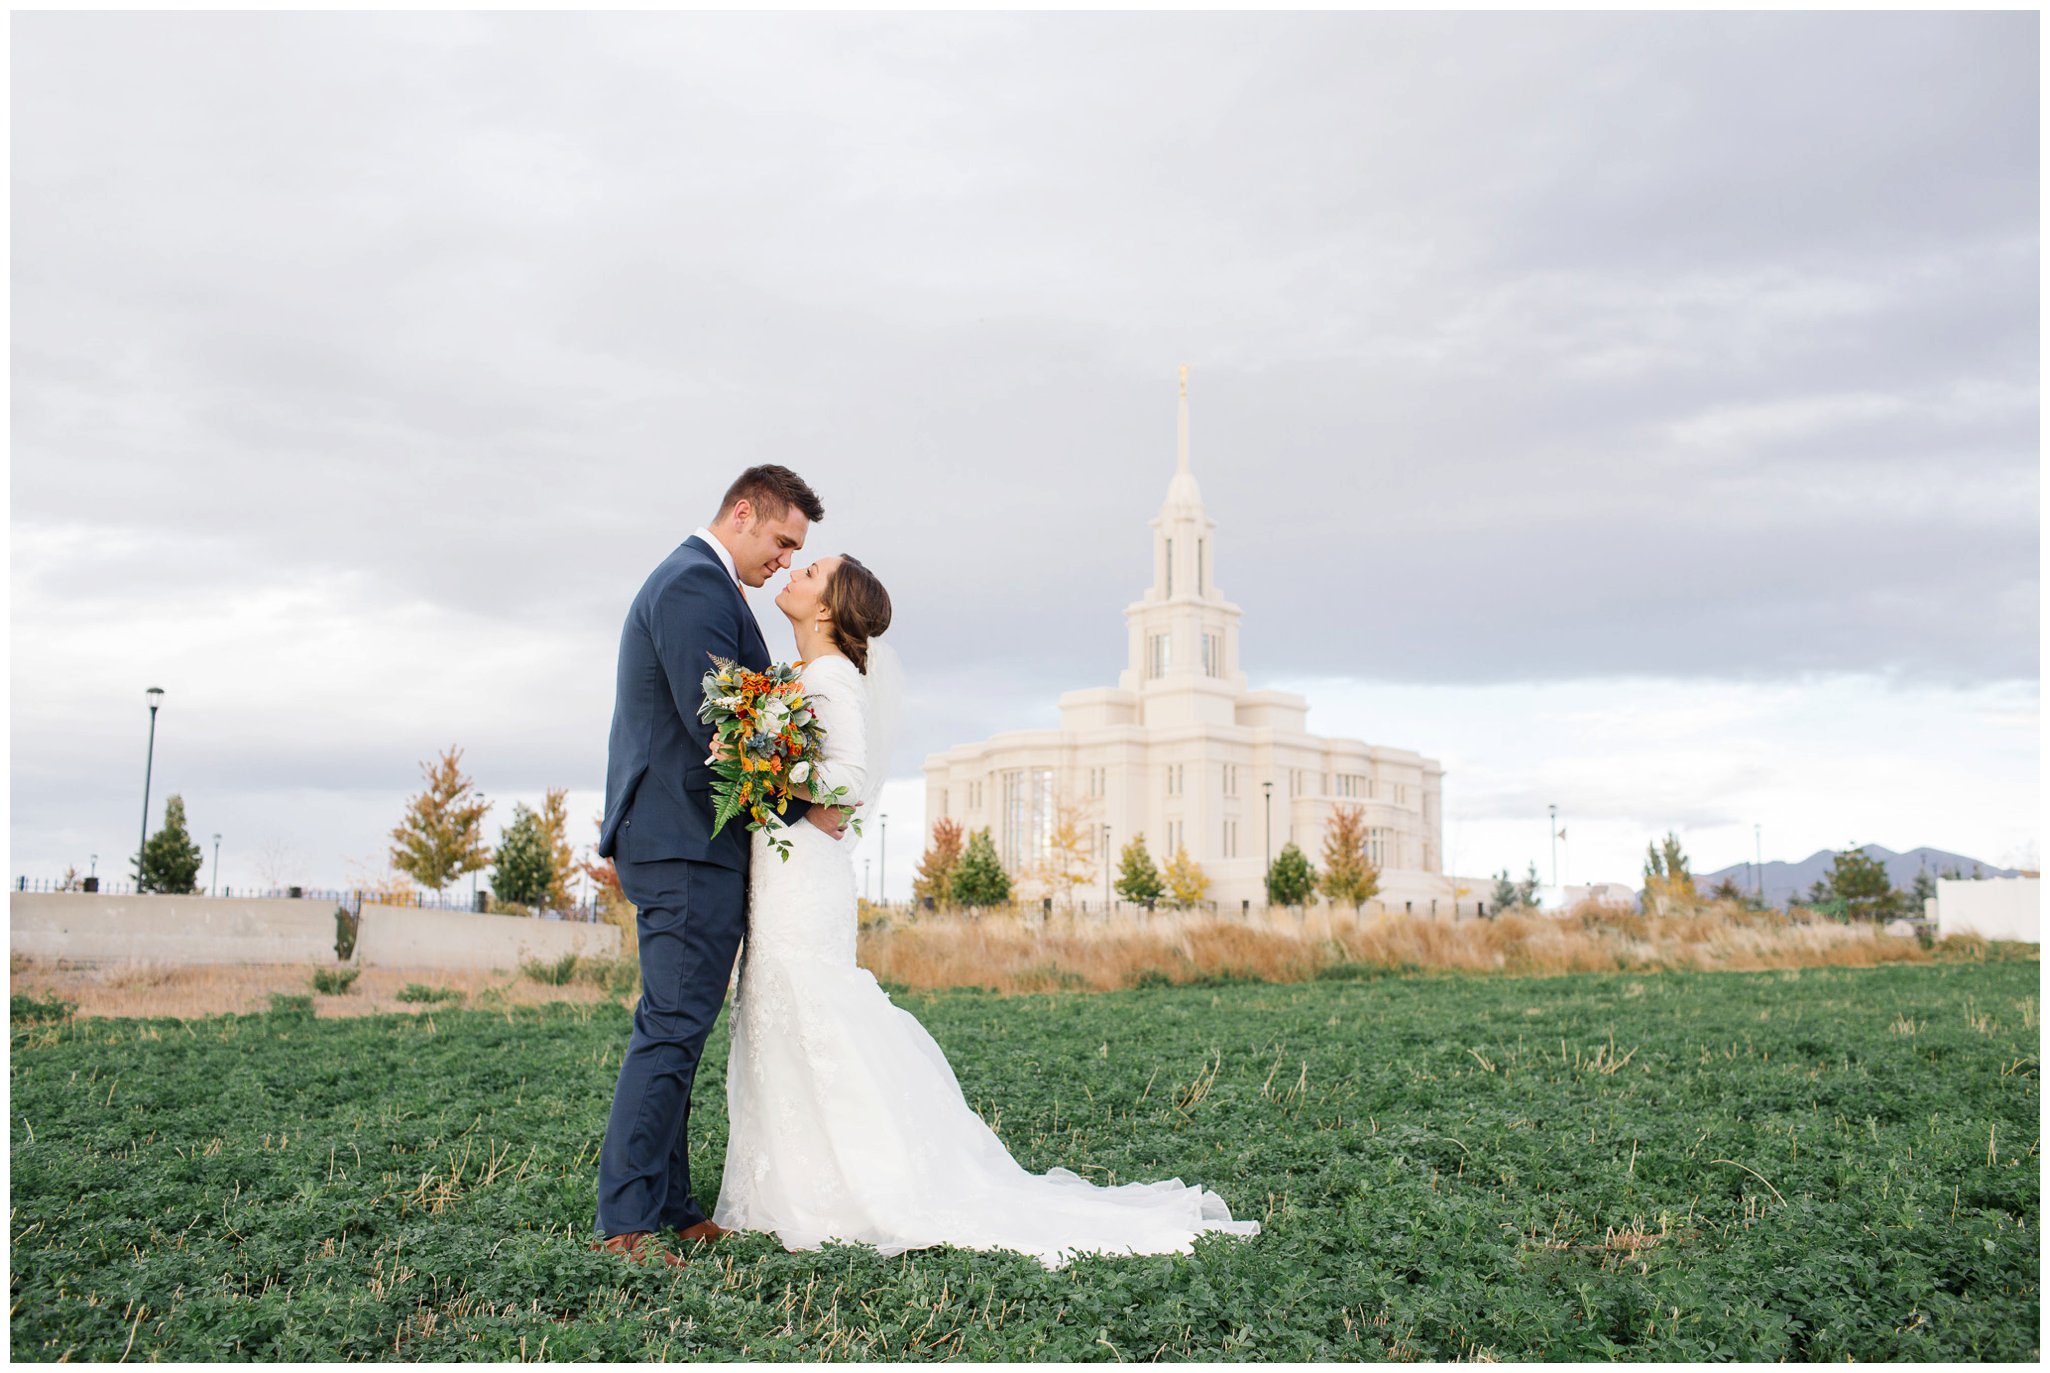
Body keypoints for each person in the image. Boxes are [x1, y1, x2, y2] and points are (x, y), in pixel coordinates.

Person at [712, 553, 1258, 1270]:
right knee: (781, 1012)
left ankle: (845, 1185)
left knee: (809, 1012)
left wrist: (757, 766)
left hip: (805, 875)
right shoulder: (809, 676)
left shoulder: (831, 679)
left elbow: (842, 788)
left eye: (810, 572)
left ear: (826, 608)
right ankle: (789, 1181)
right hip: (790, 871)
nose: (797, 573)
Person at [590, 465, 850, 1264]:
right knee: (671, 1026)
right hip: (683, 843)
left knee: (681, 1025)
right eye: (781, 541)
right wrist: (802, 810)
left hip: (687, 840)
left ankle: (671, 1202)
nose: (783, 558)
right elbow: (724, 735)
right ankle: (625, 1223)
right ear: (743, 511)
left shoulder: (703, 583)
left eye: (795, 550)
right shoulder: (694, 586)